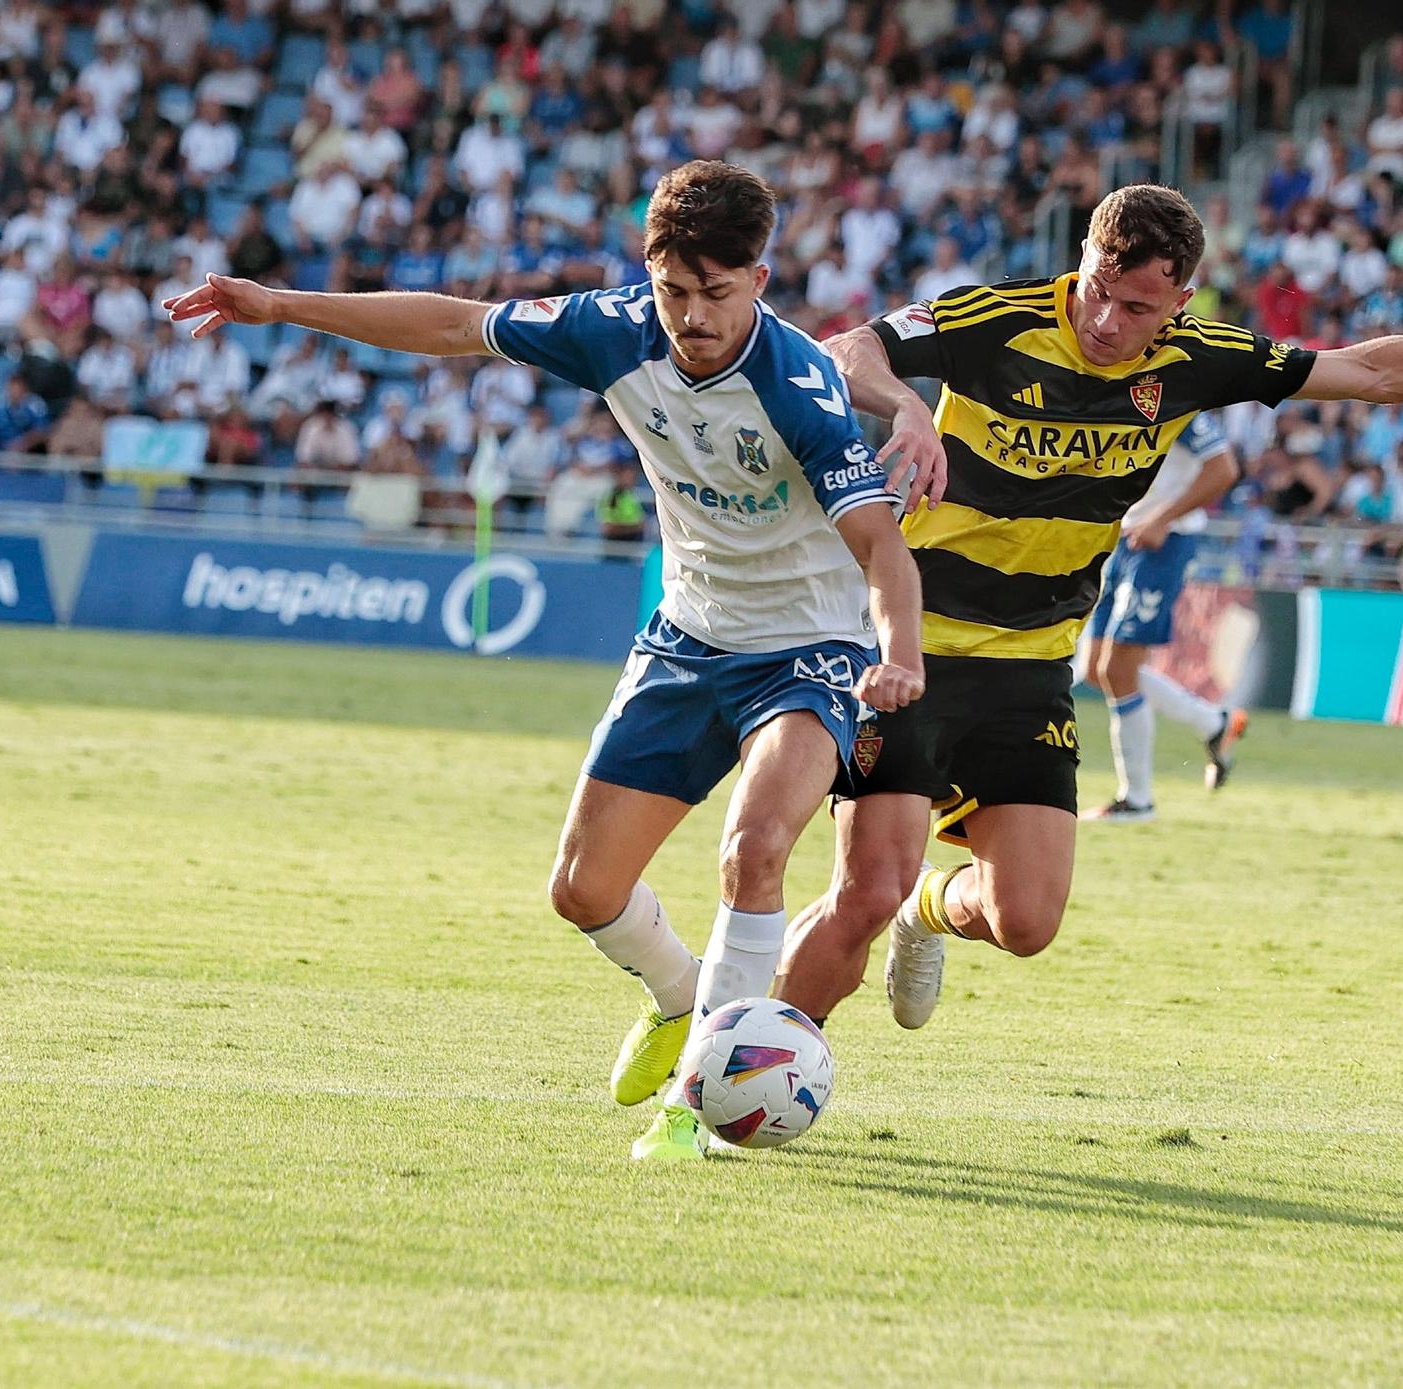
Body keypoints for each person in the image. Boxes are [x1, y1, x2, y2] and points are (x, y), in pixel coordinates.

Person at [162, 162, 924, 1163]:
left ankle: (698, 1106)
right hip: (688, 638)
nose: (691, 316)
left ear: (761, 278)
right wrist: (283, 306)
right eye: (673, 291)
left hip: (807, 649)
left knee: (757, 847)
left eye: (717, 294)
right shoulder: (612, 330)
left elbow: (881, 547)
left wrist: (898, 653)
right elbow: (452, 324)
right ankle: (683, 996)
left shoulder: (799, 387)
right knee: (580, 890)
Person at [774, 183, 1403, 1033]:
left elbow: (1366, 371)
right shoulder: (998, 318)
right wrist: (909, 404)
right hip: (914, 645)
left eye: (1135, 306)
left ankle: (931, 911)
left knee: (1025, 922)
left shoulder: (1200, 356)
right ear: (1083, 261)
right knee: (863, 893)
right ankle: (727, 1078)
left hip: (1033, 664)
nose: (1105, 320)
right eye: (1097, 289)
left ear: (1179, 303)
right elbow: (847, 348)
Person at [1075, 412, 1249, 823]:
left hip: (1163, 542)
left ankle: (1137, 800)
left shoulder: (1179, 400)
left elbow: (1223, 469)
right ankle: (1212, 723)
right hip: (1125, 536)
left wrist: (1162, 519)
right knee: (1097, 669)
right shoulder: (1121, 391)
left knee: (1118, 669)